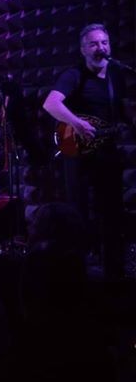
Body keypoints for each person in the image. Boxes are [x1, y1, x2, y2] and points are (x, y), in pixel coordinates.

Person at [42, 23, 128, 280]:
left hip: (107, 152)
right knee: (77, 212)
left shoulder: (116, 75)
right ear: (83, 50)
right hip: (78, 152)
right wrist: (77, 123)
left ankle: (114, 274)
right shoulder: (74, 75)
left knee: (112, 211)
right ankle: (76, 272)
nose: (100, 48)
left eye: (104, 43)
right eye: (94, 44)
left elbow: (120, 111)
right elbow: (51, 104)